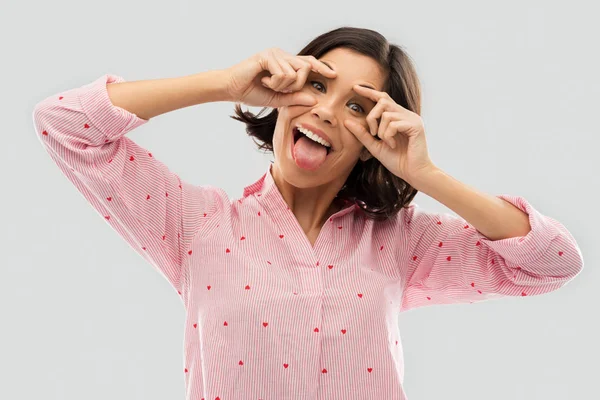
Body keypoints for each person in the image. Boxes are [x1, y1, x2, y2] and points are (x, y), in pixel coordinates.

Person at [32, 26, 583, 400]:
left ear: (375, 137)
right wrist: (222, 84)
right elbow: (64, 125)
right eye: (317, 84)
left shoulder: (402, 242)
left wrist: (424, 175)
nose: (324, 109)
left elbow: (552, 262)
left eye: (357, 105)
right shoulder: (196, 223)